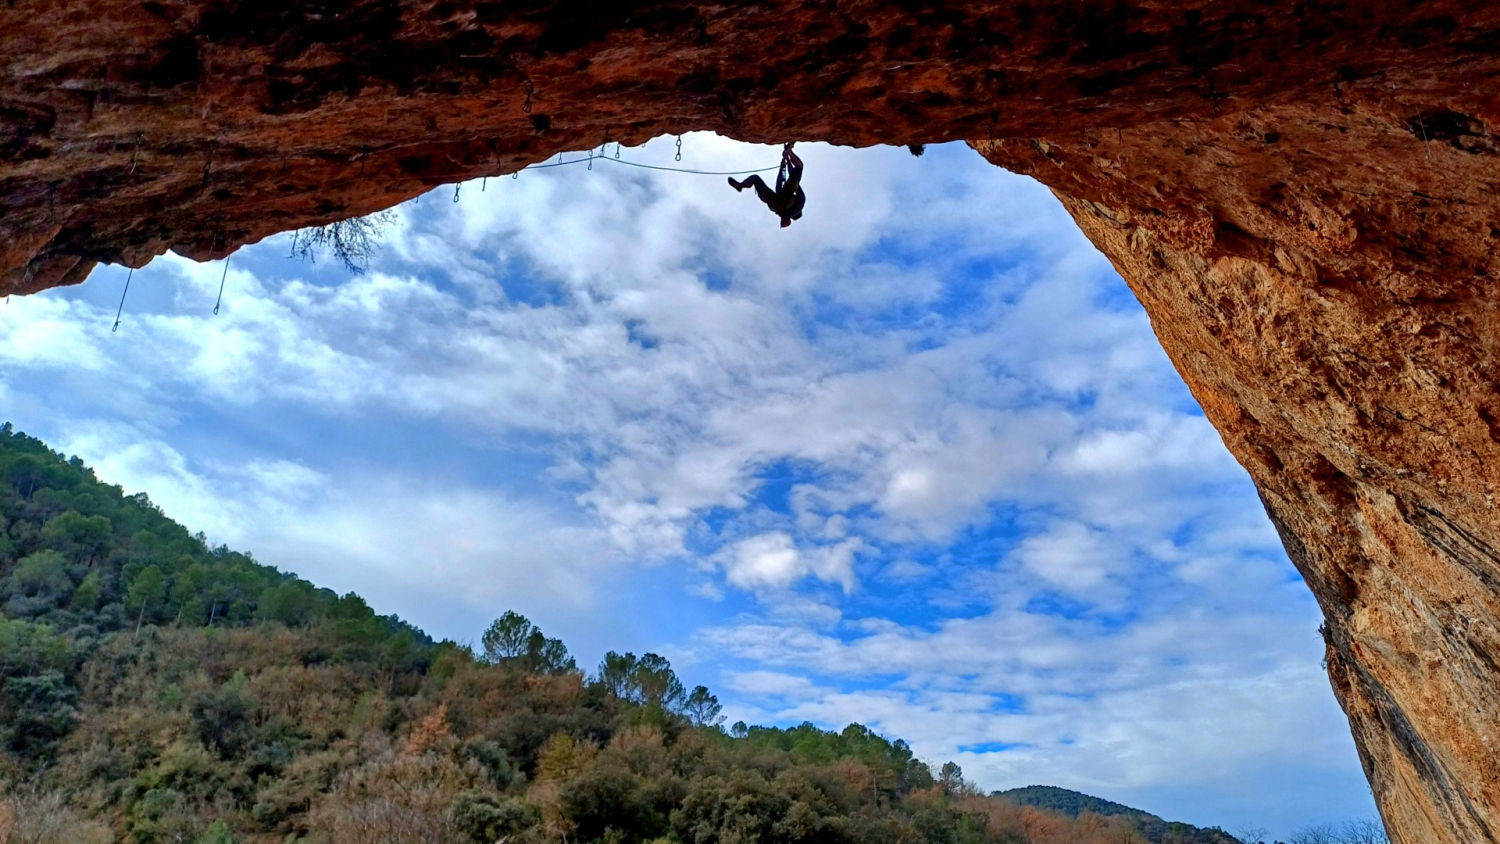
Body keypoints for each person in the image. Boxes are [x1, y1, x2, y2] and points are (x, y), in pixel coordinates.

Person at [729, 143, 805, 227]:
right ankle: (740, 186)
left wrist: (787, 158)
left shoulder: (799, 203)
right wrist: (784, 164)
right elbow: (782, 181)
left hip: (775, 199)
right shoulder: (781, 206)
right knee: (755, 178)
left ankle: (741, 185)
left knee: (800, 166)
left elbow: (790, 178)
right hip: (771, 201)